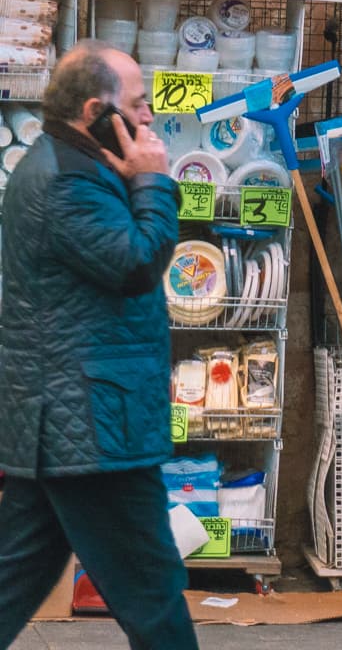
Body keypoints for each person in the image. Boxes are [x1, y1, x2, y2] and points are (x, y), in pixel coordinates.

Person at [0, 42, 195, 649]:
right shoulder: (67, 183)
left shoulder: (73, 164)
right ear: (94, 111)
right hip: (93, 427)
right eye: (136, 105)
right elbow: (137, 263)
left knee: (14, 577)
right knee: (153, 592)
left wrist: (138, 179)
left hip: (68, 423)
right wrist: (154, 180)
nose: (148, 117)